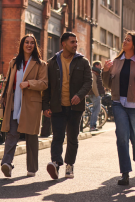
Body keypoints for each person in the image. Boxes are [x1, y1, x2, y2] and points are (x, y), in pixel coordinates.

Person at [0, 34, 48, 178]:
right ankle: (6, 163)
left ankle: (32, 168)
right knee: (12, 134)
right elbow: (8, 82)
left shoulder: (41, 64)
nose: (29, 45)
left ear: (35, 46)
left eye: (32, 43)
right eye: (27, 42)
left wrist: (29, 83)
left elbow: (44, 83)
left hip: (31, 105)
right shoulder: (14, 62)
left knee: (31, 137)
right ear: (22, 44)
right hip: (14, 103)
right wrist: (2, 97)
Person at [43, 32, 92, 179]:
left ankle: (70, 165)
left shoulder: (83, 61)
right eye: (72, 42)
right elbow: (48, 86)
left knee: (72, 138)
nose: (75, 44)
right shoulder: (52, 62)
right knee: (57, 137)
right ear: (63, 44)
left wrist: (79, 95)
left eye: (76, 42)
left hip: (75, 108)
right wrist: (45, 106)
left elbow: (88, 82)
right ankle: (56, 163)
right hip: (57, 106)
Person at [102, 31, 135, 186]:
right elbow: (108, 84)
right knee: (121, 138)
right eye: (124, 39)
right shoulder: (116, 61)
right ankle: (125, 173)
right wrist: (106, 71)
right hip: (118, 104)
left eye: (128, 40)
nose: (124, 41)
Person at [89, 61, 104, 132]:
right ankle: (92, 126)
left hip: (94, 94)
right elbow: (93, 85)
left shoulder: (96, 73)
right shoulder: (94, 73)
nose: (101, 67)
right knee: (96, 110)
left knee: (95, 110)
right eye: (100, 65)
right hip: (95, 94)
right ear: (96, 65)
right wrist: (97, 95)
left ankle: (92, 125)